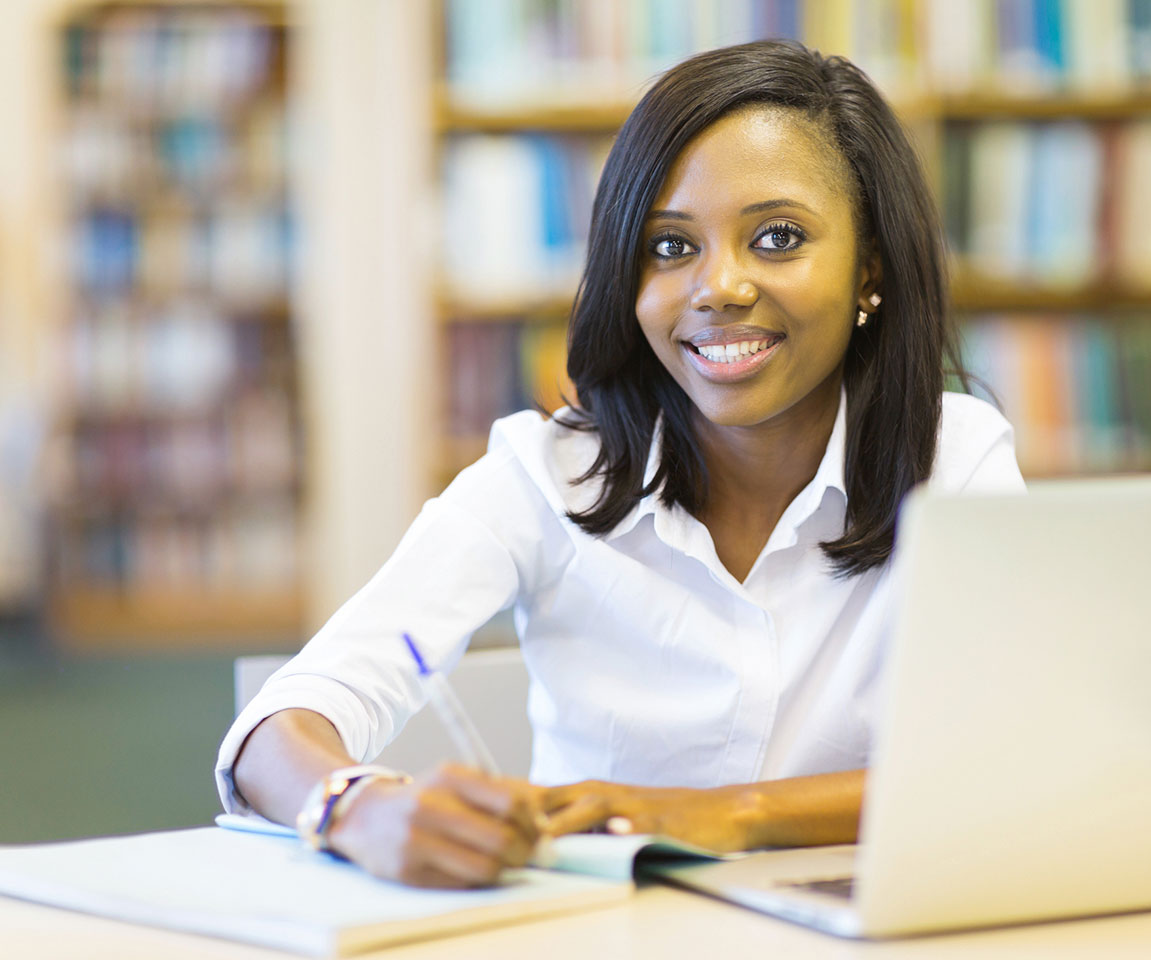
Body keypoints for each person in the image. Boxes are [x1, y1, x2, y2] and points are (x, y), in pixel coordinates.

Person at [218, 39, 1024, 889]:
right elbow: (282, 724)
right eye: (671, 248)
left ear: (870, 270)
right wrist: (354, 805)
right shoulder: (546, 476)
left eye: (777, 237)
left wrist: (722, 815)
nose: (718, 287)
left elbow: (1008, 755)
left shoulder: (956, 461)